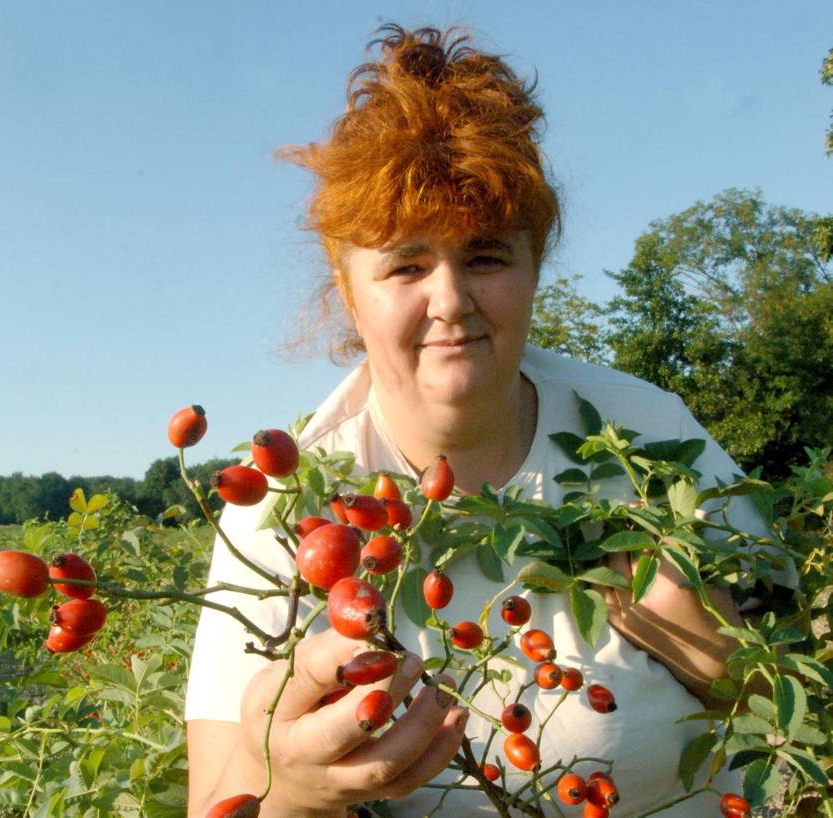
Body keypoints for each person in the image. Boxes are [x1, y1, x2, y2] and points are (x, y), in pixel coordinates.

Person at [185, 25, 759, 818]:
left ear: (533, 268)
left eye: (486, 256)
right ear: (348, 290)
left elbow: (793, 706)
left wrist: (720, 652)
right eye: (406, 265)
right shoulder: (277, 515)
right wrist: (296, 798)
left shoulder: (651, 438)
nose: (451, 301)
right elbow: (217, 800)